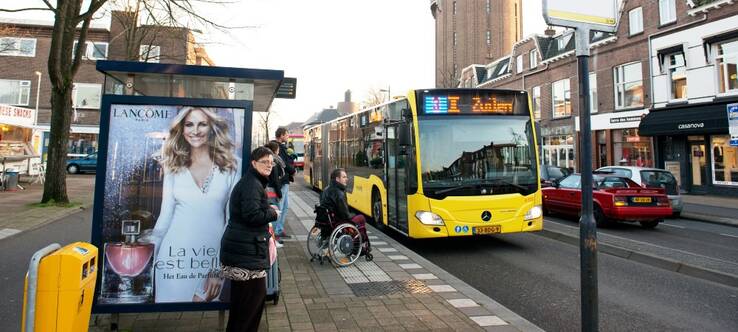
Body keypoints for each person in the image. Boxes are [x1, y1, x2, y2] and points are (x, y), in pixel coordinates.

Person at [148, 106, 239, 303]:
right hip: (172, 259)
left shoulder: (233, 165)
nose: (195, 130)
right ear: (181, 129)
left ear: (212, 127)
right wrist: (146, 262)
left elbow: (232, 221)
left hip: (210, 257)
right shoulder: (173, 165)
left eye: (202, 124)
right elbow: (165, 218)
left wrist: (218, 268)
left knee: (202, 312)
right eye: (189, 124)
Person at [220, 147, 279, 332]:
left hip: (243, 251)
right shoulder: (252, 184)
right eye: (265, 162)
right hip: (246, 255)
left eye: (271, 162)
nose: (269, 165)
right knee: (250, 306)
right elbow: (252, 215)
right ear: (254, 163)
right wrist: (272, 213)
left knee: (242, 307)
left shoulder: (252, 182)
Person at [319, 168, 371, 253]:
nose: (346, 179)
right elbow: (345, 215)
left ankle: (358, 243)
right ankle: (359, 246)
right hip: (337, 221)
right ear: (337, 179)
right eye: (344, 177)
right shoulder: (339, 193)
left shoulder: (326, 189)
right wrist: (353, 214)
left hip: (326, 220)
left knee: (356, 220)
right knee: (361, 218)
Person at [272, 127, 296, 240]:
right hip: (282, 182)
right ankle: (275, 232)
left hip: (285, 181)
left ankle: (279, 230)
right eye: (286, 135)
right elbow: (284, 164)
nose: (288, 137)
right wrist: (293, 170)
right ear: (281, 135)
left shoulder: (282, 147)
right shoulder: (278, 147)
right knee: (279, 207)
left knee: (285, 206)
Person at [265, 141, 286, 248]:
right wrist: (280, 194)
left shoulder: (269, 160)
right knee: (274, 216)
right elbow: (276, 180)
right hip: (272, 193)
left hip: (268, 191)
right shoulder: (273, 162)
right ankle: (272, 241)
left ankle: (272, 240)